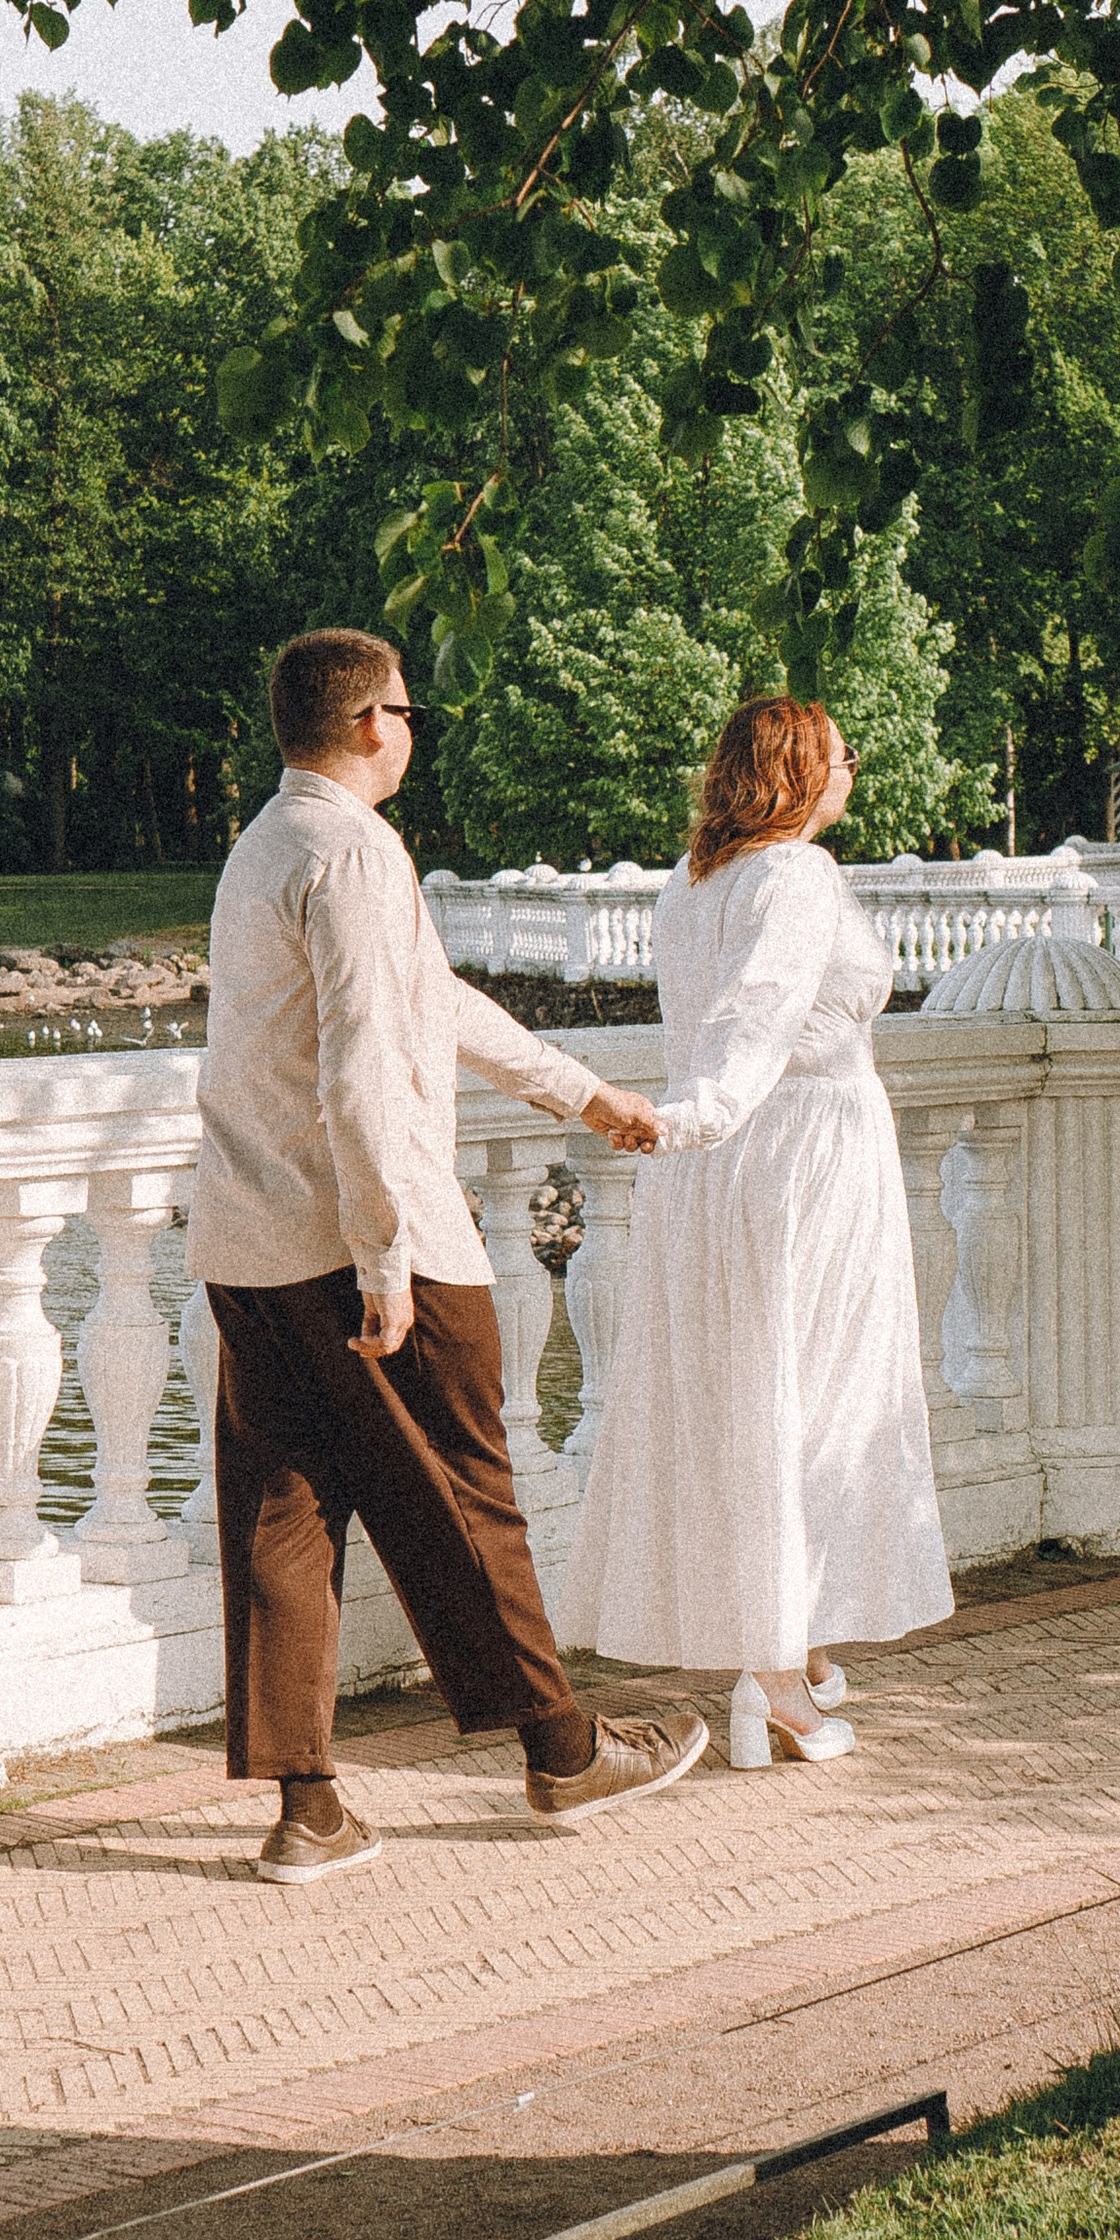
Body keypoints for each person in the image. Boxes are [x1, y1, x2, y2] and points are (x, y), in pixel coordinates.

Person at [187, 625, 708, 1881]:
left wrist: (581, 1095)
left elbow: (428, 1001)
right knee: (468, 1501)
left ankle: (308, 1810)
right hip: (368, 1243)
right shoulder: (354, 852)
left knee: (282, 1519)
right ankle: (564, 1750)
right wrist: (381, 1256)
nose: (413, 730)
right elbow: (365, 1071)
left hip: (247, 1245)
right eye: (409, 711)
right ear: (372, 723)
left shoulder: (265, 847)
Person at [557, 696, 952, 1765]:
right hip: (796, 1158)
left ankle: (794, 1645)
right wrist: (692, 1121)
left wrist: (692, 1131)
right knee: (807, 1399)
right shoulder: (794, 876)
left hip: (731, 1165)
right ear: (796, 772)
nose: (851, 772)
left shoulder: (695, 882)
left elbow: (721, 1021)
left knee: (760, 1395)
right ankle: (777, 1677)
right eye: (840, 757)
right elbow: (757, 1021)